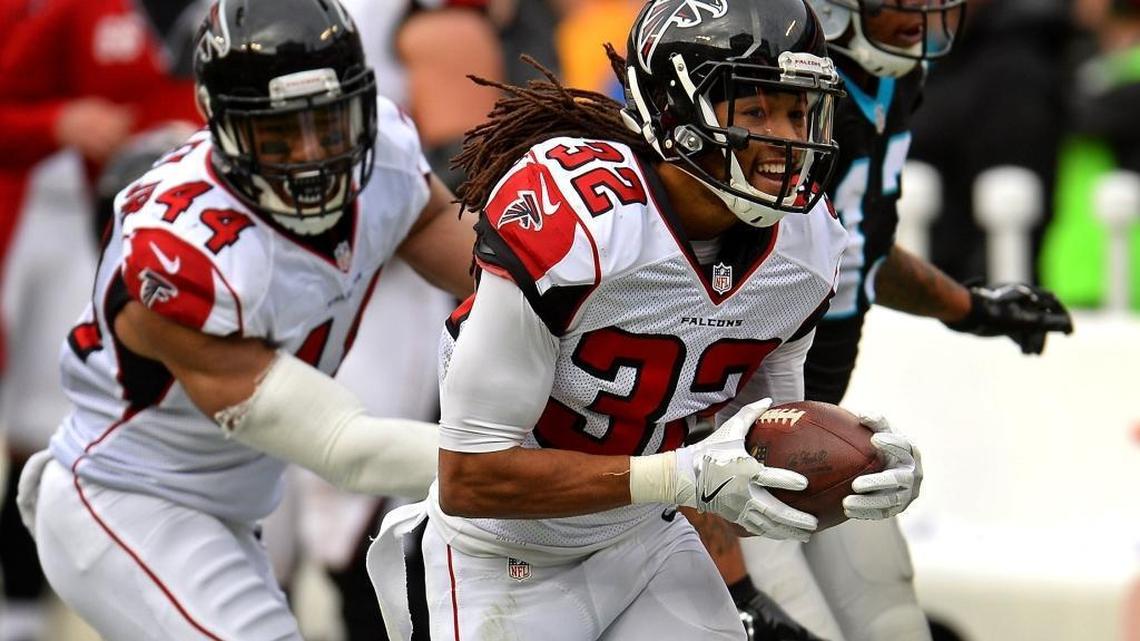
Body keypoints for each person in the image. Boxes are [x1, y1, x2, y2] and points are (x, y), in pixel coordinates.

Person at [367, 1, 923, 639]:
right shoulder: (584, 219)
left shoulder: (807, 246)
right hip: (500, 556)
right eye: (755, 111)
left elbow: (761, 473)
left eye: (798, 112)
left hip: (646, 542)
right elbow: (472, 477)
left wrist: (862, 469)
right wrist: (681, 475)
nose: (786, 139)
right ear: (675, 113)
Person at [13, 0, 475, 639]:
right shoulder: (178, 250)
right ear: (224, 130)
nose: (314, 157)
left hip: (235, 500)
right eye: (280, 134)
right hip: (133, 498)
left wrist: (567, 301)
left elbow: (457, 245)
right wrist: (569, 467)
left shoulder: (387, 153)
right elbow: (345, 447)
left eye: (331, 124)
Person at [726, 2, 1075, 641]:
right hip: (729, 448)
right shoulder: (783, 88)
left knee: (894, 624)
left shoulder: (892, 75)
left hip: (817, 422)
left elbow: (856, 246)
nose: (923, 10)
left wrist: (968, 306)